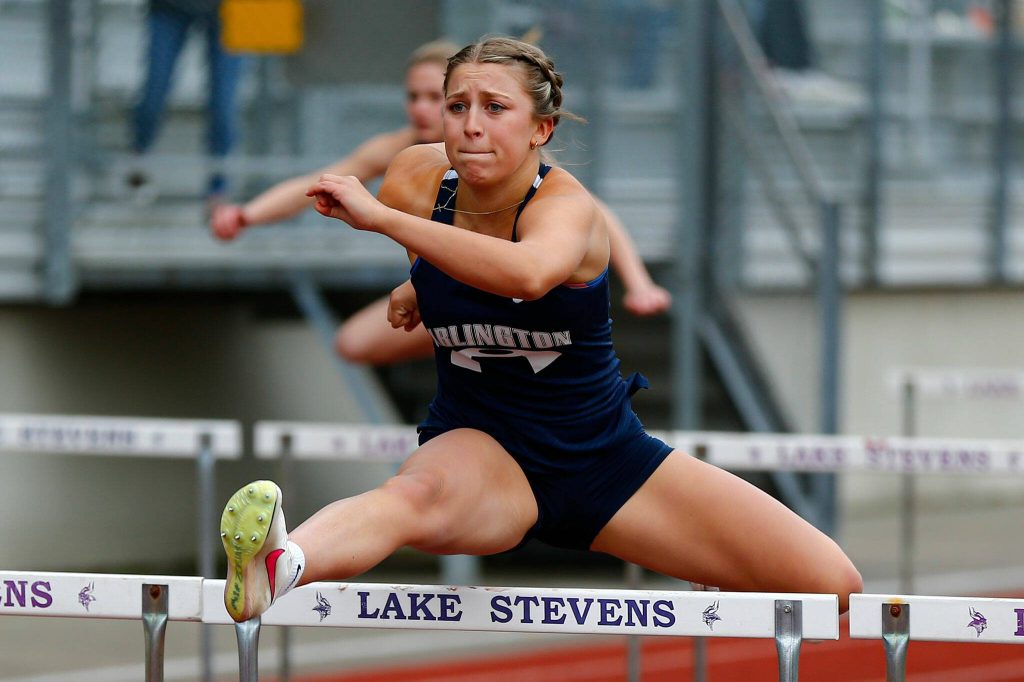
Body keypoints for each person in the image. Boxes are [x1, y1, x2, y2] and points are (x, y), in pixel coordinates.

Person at [218, 37, 862, 624]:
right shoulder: (416, 180)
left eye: (495, 107)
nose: (471, 124)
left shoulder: (567, 207)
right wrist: (419, 284)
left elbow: (528, 274)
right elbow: (459, 255)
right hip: (482, 448)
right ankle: (282, 561)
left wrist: (384, 222)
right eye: (456, 105)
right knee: (409, 495)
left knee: (833, 585)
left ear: (540, 128)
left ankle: (712, 561)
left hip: (603, 459)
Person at [210, 39, 671, 367]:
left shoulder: (519, 163)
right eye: (421, 98)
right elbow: (321, 184)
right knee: (352, 343)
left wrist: (639, 281)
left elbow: (591, 219)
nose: (422, 109)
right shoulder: (402, 159)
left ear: (538, 129)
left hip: (538, 306)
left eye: (435, 96)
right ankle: (466, 344)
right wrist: (247, 214)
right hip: (466, 329)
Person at [127, 0, 246, 202]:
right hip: (170, 7)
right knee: (154, 91)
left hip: (237, 9)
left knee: (224, 103)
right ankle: (139, 158)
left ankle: (218, 189)